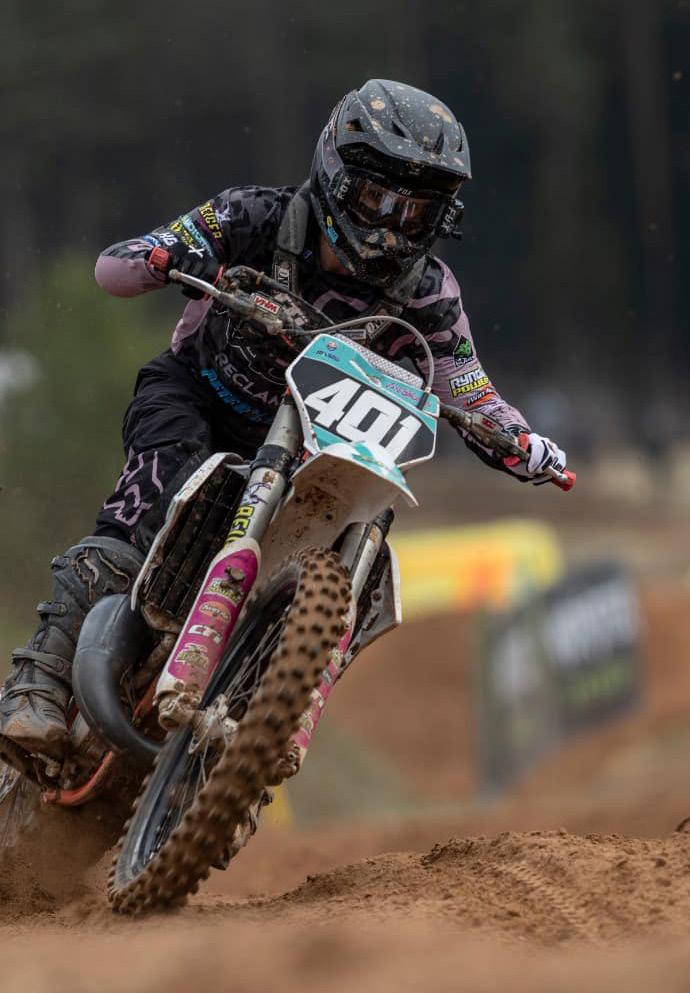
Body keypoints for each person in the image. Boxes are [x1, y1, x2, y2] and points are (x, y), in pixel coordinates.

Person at [0, 79, 567, 759]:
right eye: (377, 199)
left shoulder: (429, 294)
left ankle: (270, 711)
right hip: (199, 400)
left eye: (416, 213)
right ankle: (35, 684)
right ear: (335, 174)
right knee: (142, 504)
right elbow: (112, 270)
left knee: (369, 537)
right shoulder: (254, 217)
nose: (391, 227)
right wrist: (164, 256)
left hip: (315, 458)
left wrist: (523, 440)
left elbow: (471, 391)